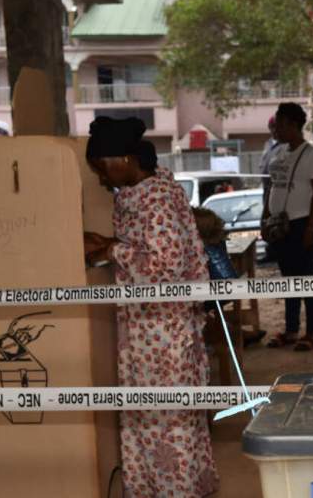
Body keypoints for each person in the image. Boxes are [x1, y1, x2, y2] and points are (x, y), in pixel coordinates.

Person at [82, 117, 218, 497]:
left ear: (124, 159)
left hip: (161, 332)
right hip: (150, 329)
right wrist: (112, 244)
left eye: (102, 167)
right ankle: (161, 488)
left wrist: (111, 249)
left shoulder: (155, 199)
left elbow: (163, 265)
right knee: (155, 414)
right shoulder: (148, 191)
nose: (100, 177)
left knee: (164, 417)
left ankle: (174, 490)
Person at [263, 102, 313, 351]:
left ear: (293, 125)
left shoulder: (312, 155)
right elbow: (273, 187)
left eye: (279, 124)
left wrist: (311, 227)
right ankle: (291, 330)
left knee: (307, 279)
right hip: (281, 225)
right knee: (289, 279)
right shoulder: (279, 153)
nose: (275, 128)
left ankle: (311, 333)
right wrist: (265, 217)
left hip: (303, 224)